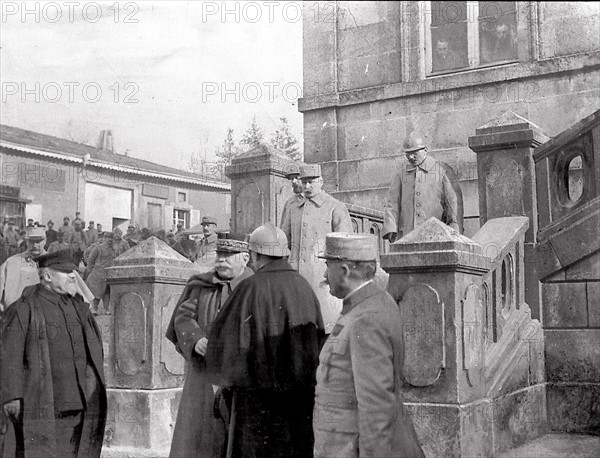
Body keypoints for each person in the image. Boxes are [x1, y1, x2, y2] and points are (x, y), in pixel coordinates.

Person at [206, 223, 325, 458]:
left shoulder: (248, 288)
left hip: (254, 402)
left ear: (254, 255)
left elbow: (222, 343)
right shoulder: (304, 287)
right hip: (298, 401)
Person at [313, 233, 425, 458]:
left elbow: (375, 409)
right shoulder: (371, 304)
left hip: (350, 448)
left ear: (344, 272)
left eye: (328, 265)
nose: (325, 275)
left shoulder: (366, 318)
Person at [0, 249, 107, 458]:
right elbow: (9, 354)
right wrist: (12, 396)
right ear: (47, 277)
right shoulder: (24, 308)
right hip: (41, 406)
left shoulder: (79, 308)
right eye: (65, 272)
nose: (72, 276)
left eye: (73, 272)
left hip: (80, 405)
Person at [166, 233, 253, 458]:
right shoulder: (202, 285)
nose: (221, 260)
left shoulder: (254, 288)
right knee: (199, 436)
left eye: (229, 255)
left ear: (245, 258)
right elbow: (183, 317)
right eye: (220, 255)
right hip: (202, 376)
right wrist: (195, 340)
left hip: (239, 376)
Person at [282, 164, 353, 331]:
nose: (307, 186)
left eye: (311, 182)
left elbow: (345, 248)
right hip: (295, 279)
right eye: (304, 181)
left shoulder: (335, 207)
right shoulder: (292, 206)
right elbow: (284, 241)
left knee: (324, 329)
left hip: (323, 281)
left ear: (321, 181)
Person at [383, 132, 462, 243]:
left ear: (425, 150)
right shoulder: (402, 173)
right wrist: (391, 227)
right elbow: (392, 202)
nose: (410, 157)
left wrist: (454, 227)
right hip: (407, 234)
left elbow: (452, 201)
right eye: (408, 153)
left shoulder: (442, 170)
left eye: (414, 152)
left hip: (436, 235)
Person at [0, 226, 45, 313]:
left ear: (45, 241)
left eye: (39, 241)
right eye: (31, 241)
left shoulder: (57, 264)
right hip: (16, 318)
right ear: (26, 241)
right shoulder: (11, 263)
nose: (35, 245)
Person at [85, 232, 118, 314]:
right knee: (97, 292)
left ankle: (106, 309)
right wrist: (92, 270)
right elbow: (90, 260)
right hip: (98, 274)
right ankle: (94, 309)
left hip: (110, 274)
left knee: (107, 292)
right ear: (104, 238)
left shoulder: (115, 249)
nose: (110, 239)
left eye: (111, 237)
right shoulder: (98, 248)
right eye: (108, 237)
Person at [279, 162, 304, 227]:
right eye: (291, 178)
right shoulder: (289, 203)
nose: (293, 181)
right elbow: (283, 229)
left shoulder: (315, 200)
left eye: (296, 178)